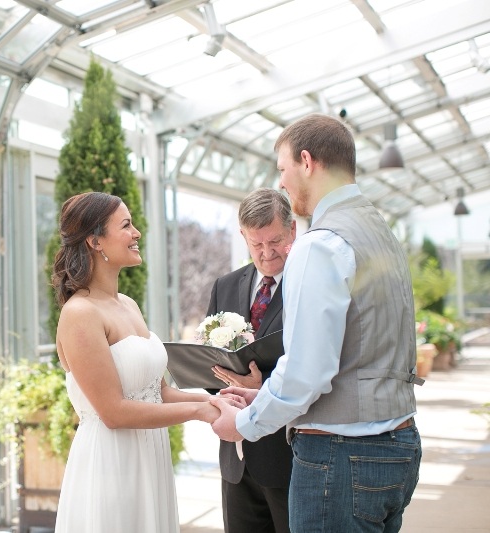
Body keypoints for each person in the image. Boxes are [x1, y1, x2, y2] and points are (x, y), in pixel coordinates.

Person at [209, 113, 424, 533]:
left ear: (306, 162)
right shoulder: (379, 232)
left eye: (283, 169)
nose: (283, 183)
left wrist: (243, 424)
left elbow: (308, 370)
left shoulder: (322, 243)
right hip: (397, 443)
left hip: (342, 457)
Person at [51, 191, 220, 533]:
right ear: (95, 241)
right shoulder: (80, 314)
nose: (137, 233)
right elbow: (113, 412)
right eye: (126, 226)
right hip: (112, 464)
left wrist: (213, 400)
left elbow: (160, 393)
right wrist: (200, 412)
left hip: (149, 460)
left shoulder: (127, 304)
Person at [204, 187, 295, 533]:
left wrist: (263, 387)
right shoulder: (225, 286)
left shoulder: (307, 284)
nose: (266, 254)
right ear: (242, 235)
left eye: (274, 242)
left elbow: (316, 366)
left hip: (288, 460)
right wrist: (229, 384)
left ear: (291, 232)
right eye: (256, 244)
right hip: (236, 462)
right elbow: (210, 360)